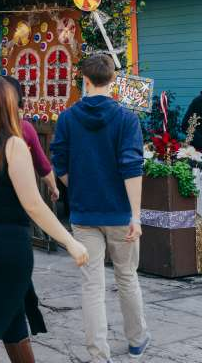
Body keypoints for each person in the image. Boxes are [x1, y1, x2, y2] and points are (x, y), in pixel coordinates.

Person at [0, 75, 87, 363]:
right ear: (10, 105)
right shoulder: (13, 145)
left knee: (11, 318)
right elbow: (34, 205)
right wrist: (70, 242)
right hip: (7, 245)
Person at [50, 54, 149, 362]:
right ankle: (137, 341)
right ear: (113, 80)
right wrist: (136, 215)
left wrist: (77, 187)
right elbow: (132, 168)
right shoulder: (127, 119)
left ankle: (98, 355)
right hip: (120, 213)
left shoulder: (67, 118)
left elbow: (59, 164)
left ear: (85, 80)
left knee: (92, 286)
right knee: (127, 277)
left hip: (84, 214)